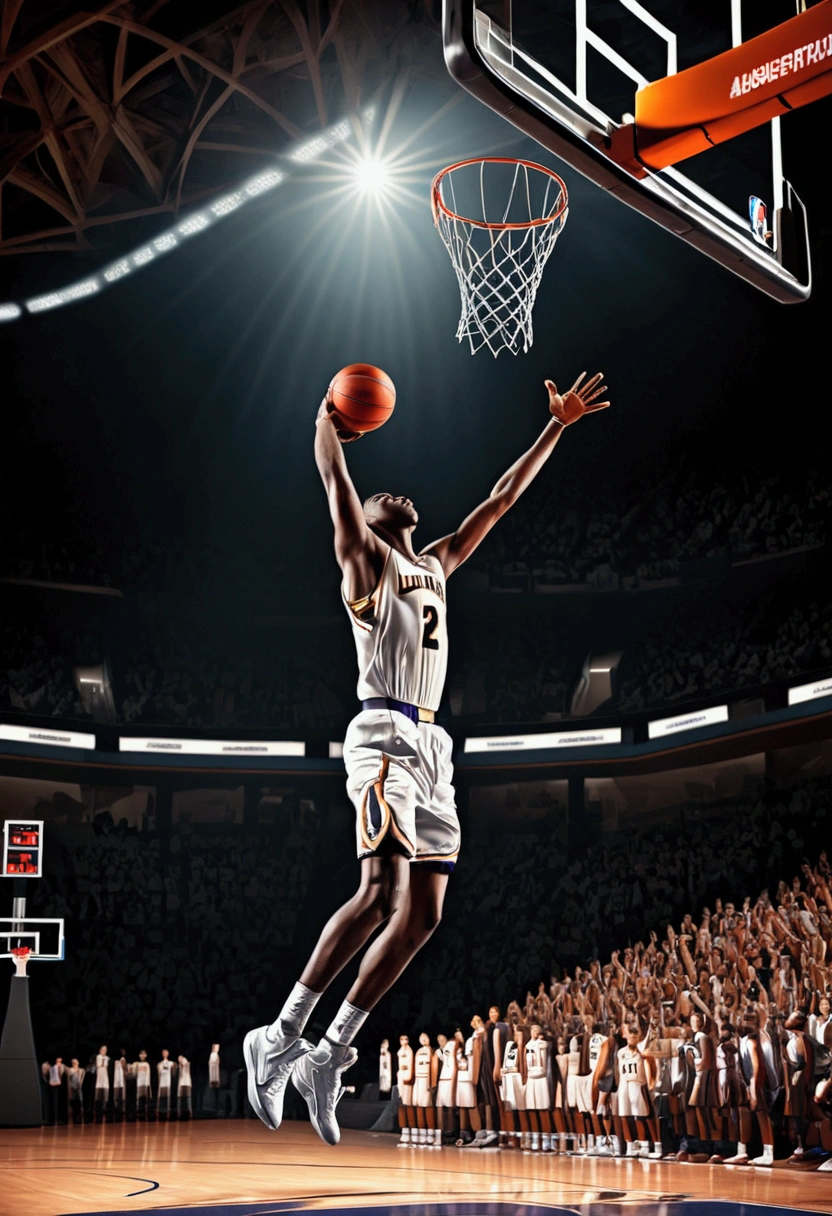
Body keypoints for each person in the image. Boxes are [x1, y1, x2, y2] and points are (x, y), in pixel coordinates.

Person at [244, 369, 610, 1145]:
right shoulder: (366, 564)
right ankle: (279, 1036)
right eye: (384, 498)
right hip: (382, 740)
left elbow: (501, 499)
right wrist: (323, 420)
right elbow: (334, 484)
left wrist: (557, 428)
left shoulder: (437, 564)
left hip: (433, 747)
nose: (397, 493)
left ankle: (331, 1051)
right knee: (379, 893)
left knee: (423, 916)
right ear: (374, 520)